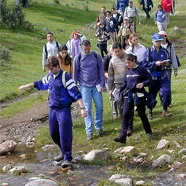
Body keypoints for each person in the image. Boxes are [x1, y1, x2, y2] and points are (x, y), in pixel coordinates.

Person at [18, 56, 87, 168]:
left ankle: (68, 158)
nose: (50, 71)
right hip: (53, 110)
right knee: (53, 133)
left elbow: (76, 93)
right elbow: (40, 83)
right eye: (49, 69)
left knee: (65, 133)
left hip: (63, 110)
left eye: (51, 69)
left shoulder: (65, 77)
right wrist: (26, 86)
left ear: (57, 66)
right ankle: (63, 151)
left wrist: (82, 108)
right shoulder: (50, 76)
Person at [114, 53, 153, 144]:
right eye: (126, 63)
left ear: (134, 61)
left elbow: (150, 79)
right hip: (129, 95)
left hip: (139, 95)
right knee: (125, 114)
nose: (127, 65)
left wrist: (143, 84)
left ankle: (148, 131)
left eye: (129, 63)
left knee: (141, 114)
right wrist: (118, 90)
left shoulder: (141, 69)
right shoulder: (128, 71)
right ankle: (122, 137)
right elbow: (125, 83)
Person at [73, 40, 105, 140]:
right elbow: (75, 72)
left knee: (99, 107)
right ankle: (89, 131)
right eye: (84, 49)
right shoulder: (78, 58)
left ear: (90, 46)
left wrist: (102, 83)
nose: (86, 51)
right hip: (84, 86)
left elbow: (101, 70)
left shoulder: (96, 55)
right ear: (81, 48)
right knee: (87, 109)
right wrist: (75, 86)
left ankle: (99, 126)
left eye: (88, 49)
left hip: (96, 85)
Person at [142, 33, 172, 119]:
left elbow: (169, 61)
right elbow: (145, 64)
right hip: (153, 76)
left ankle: (165, 109)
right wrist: (154, 64)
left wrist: (166, 63)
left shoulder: (164, 51)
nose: (158, 43)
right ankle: (150, 111)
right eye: (156, 41)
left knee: (166, 92)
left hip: (163, 75)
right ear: (153, 41)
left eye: (159, 41)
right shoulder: (148, 51)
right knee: (152, 94)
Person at [107, 43, 127, 120]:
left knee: (128, 105)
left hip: (128, 84)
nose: (117, 53)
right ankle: (124, 123)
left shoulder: (127, 57)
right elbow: (110, 76)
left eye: (118, 51)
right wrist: (110, 89)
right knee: (120, 105)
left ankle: (129, 125)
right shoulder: (112, 61)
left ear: (121, 49)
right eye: (115, 52)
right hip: (118, 86)